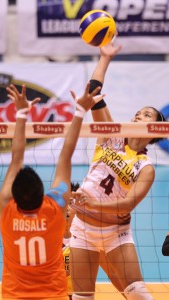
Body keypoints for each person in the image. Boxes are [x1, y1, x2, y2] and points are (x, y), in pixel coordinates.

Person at [69, 42, 167, 300]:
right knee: (82, 297)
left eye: (146, 115)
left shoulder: (146, 168)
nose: (138, 116)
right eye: (137, 113)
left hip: (116, 233)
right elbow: (94, 92)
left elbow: (126, 204)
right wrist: (105, 58)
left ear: (156, 130)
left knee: (138, 295)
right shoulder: (110, 135)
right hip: (82, 228)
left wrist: (92, 203)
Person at [0, 82, 103, 299]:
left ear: (14, 197)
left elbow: (16, 157)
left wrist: (22, 112)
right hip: (53, 295)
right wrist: (80, 110)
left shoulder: (7, 209)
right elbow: (66, 154)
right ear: (43, 192)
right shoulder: (55, 208)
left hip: (14, 296)